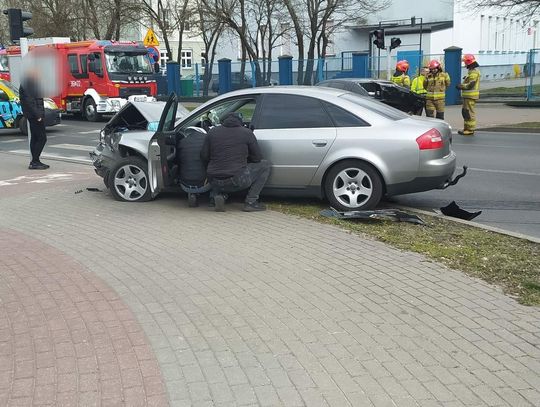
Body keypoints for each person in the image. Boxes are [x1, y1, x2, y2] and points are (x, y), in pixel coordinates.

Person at [201, 112, 271, 212]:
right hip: (236, 180)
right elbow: (257, 158)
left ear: (223, 121)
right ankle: (251, 202)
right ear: (240, 122)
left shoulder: (212, 132)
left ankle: (215, 198)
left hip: (213, 180)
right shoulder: (246, 132)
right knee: (265, 165)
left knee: (219, 169)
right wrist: (245, 158)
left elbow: (204, 156)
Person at [19, 69, 49, 170]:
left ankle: (35, 161)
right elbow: (30, 101)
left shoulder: (30, 83)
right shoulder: (28, 84)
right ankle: (34, 161)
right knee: (42, 138)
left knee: (35, 138)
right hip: (34, 115)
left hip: (33, 115)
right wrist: (38, 115)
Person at [457, 54, 481, 136]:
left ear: (468, 62)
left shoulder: (474, 73)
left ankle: (470, 129)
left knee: (469, 113)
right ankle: (466, 128)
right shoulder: (471, 72)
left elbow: (471, 84)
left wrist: (461, 86)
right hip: (467, 96)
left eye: (465, 62)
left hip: (470, 96)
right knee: (465, 112)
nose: (464, 64)